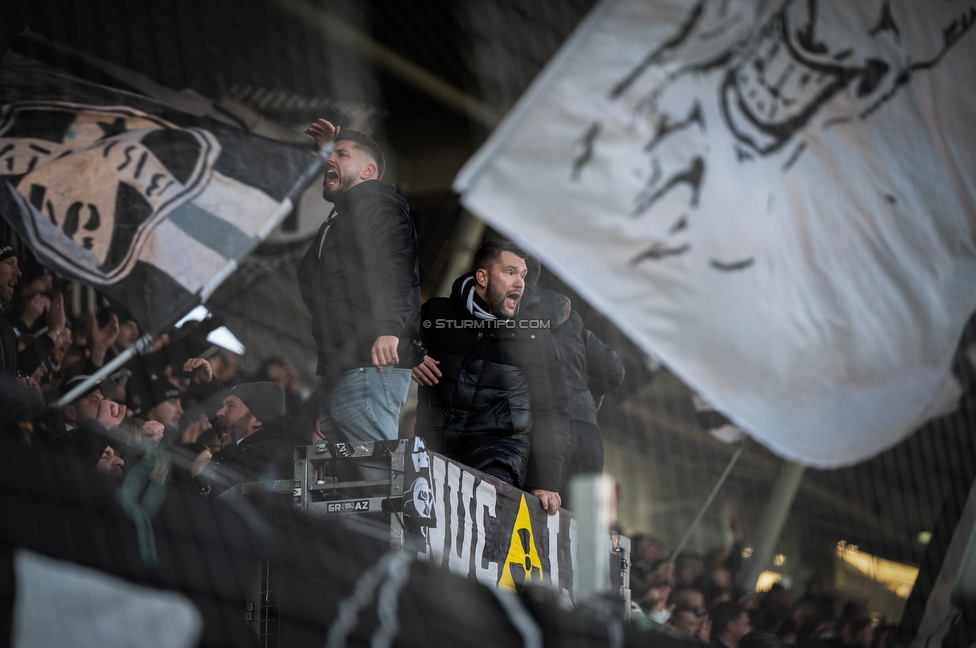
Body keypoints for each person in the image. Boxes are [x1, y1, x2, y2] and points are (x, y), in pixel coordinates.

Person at [412, 240, 569, 514]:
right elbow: (385, 335)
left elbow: (553, 407)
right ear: (482, 277)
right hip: (434, 448)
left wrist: (544, 480)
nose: (520, 282)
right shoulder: (436, 314)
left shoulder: (534, 335)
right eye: (510, 272)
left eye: (523, 275)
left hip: (500, 455)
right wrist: (409, 355)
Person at [298, 118, 423, 452]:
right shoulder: (343, 218)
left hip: (370, 364)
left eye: (342, 154)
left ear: (368, 171)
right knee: (345, 489)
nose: (329, 159)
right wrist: (334, 149)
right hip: (344, 367)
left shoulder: (375, 204)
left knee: (377, 480)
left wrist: (388, 327)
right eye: (329, 155)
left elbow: (395, 266)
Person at [521, 257, 624, 494]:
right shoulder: (573, 319)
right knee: (576, 527)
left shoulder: (508, 313)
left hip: (546, 431)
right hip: (588, 433)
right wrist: (593, 393)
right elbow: (614, 371)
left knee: (528, 517)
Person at [185, 358, 305, 498]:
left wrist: (195, 481)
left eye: (230, 406)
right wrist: (206, 384)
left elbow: (214, 507)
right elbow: (233, 419)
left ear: (258, 420)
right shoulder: (248, 439)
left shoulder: (259, 462)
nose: (219, 413)